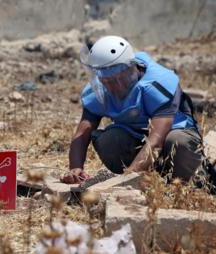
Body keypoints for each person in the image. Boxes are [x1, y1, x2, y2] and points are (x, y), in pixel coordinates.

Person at [62, 35, 205, 184]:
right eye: (107, 81)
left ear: (133, 68)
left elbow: (156, 140)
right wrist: (75, 169)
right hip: (137, 138)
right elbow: (82, 133)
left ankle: (189, 182)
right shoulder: (99, 90)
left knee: (177, 141)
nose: (113, 87)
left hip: (173, 137)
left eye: (118, 79)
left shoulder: (158, 84)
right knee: (109, 140)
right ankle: (148, 180)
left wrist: (127, 179)